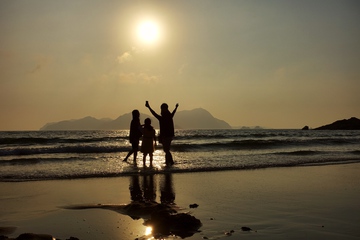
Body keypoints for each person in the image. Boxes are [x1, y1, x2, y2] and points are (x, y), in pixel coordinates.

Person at [145, 101, 178, 166]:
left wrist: (149, 107)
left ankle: (170, 162)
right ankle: (168, 161)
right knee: (166, 150)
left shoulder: (163, 118)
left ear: (164, 109)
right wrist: (176, 108)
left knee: (166, 150)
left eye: (162, 108)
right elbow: (173, 113)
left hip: (166, 136)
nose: (161, 110)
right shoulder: (169, 116)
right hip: (168, 135)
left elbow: (154, 113)